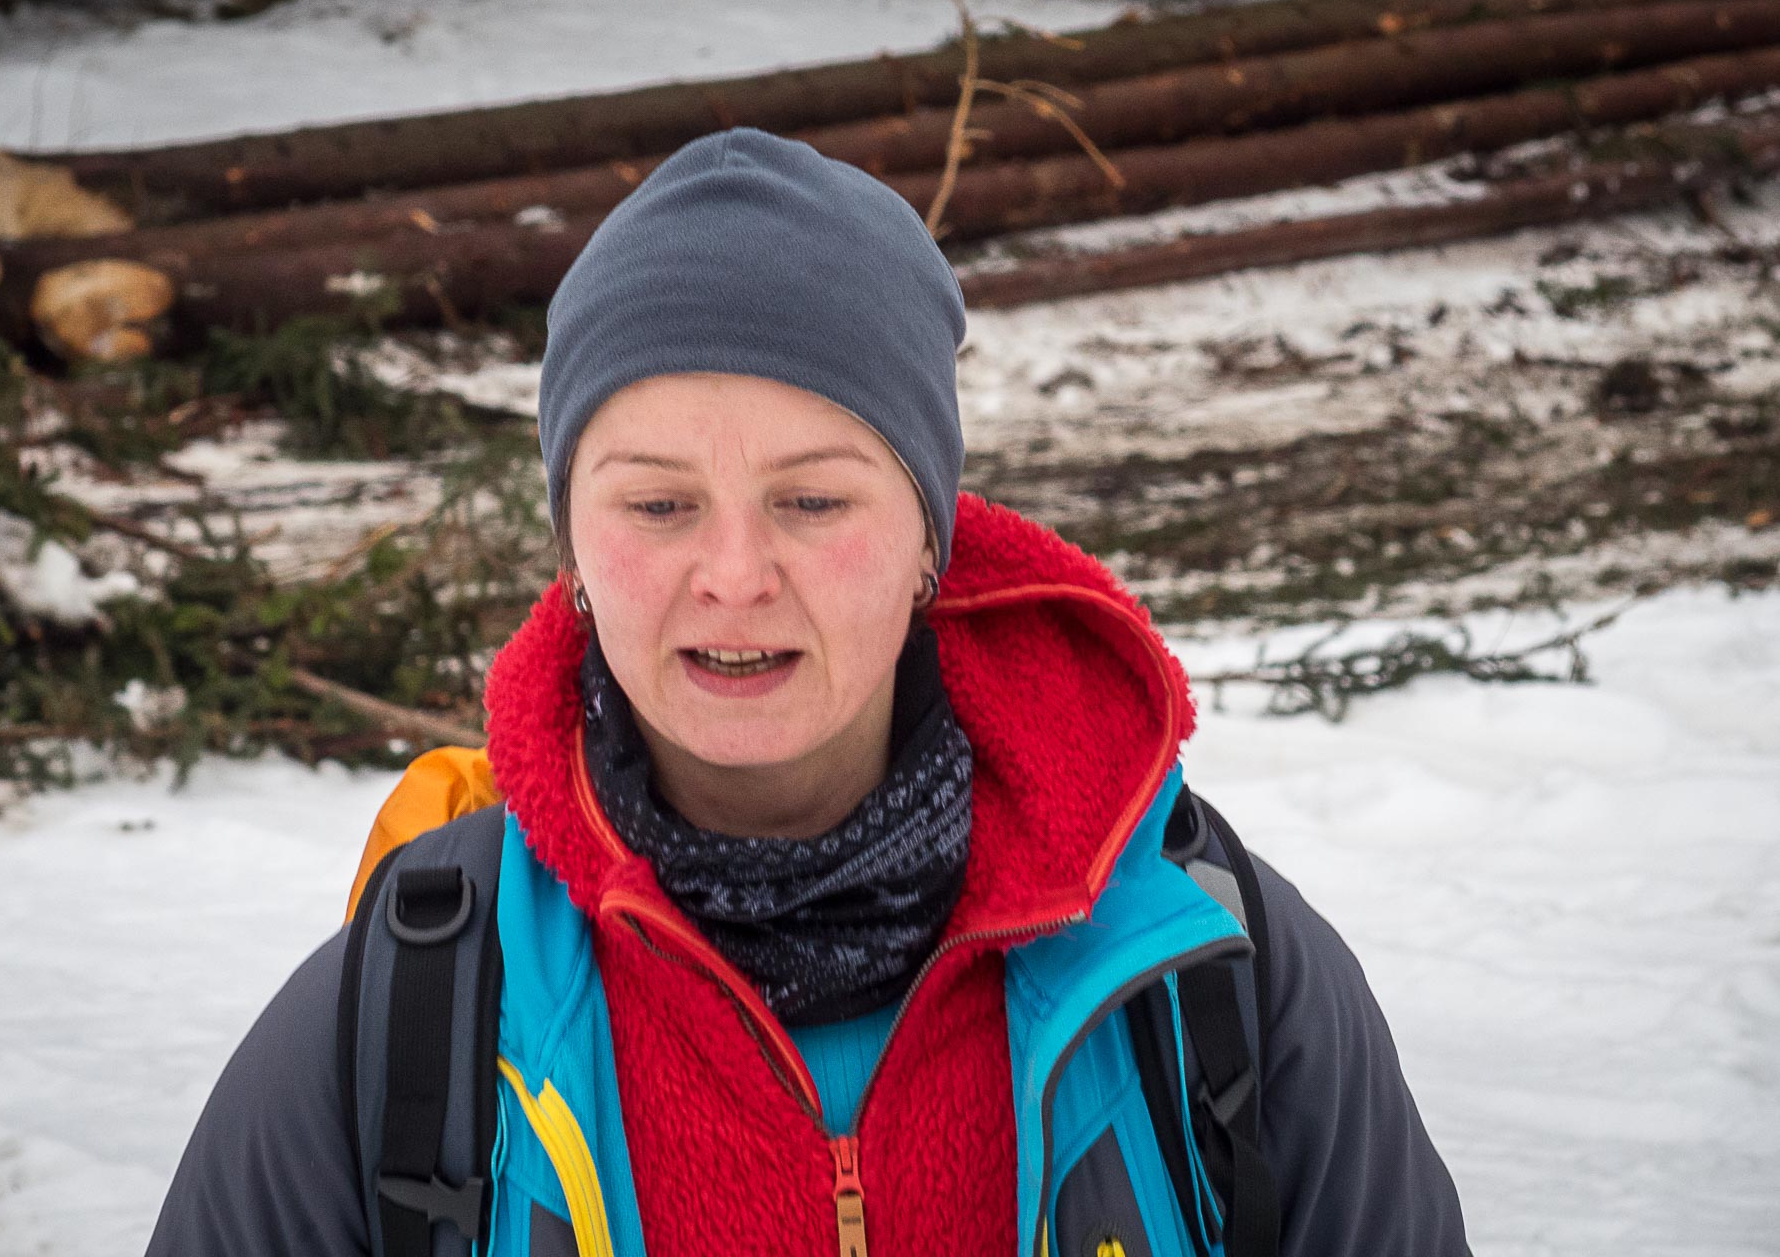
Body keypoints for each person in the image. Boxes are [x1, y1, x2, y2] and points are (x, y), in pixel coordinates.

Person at [147, 128, 1469, 1257]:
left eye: (814, 499)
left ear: (928, 543)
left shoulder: (1203, 966)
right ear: (572, 556)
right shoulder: (409, 1015)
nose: (733, 575)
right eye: (658, 503)